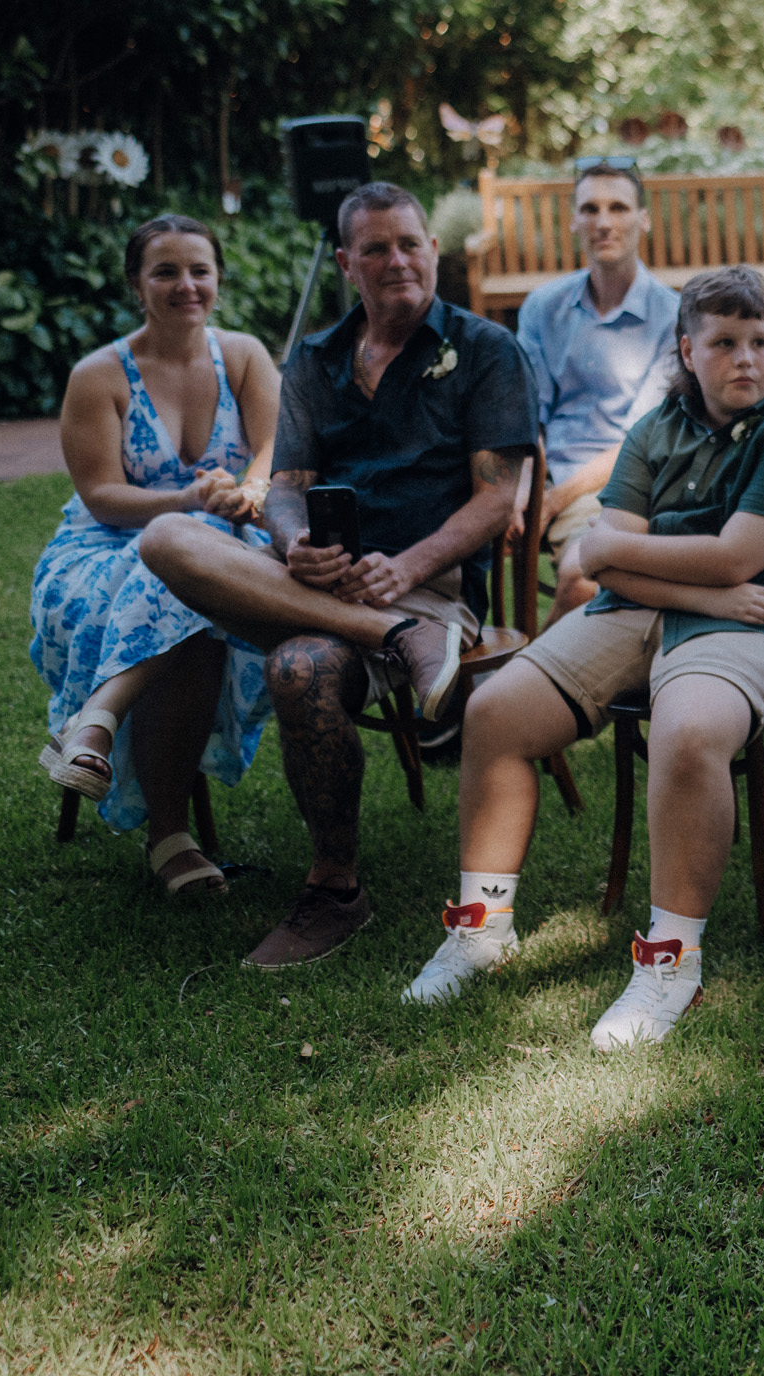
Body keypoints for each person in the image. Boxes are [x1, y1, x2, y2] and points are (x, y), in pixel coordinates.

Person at [398, 266, 764, 1051]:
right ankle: (481, 928)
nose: (746, 358)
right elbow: (599, 566)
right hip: (679, 607)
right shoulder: (655, 428)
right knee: (495, 711)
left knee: (688, 730)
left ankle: (670, 963)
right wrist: (690, 587)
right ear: (687, 347)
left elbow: (734, 558)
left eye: (762, 341)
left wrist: (644, 561)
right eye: (725, 342)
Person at [140, 182, 538, 969]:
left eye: (411, 244)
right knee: (165, 535)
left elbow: (499, 499)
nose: (399, 262)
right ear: (348, 264)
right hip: (322, 585)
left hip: (430, 585)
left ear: (432, 250)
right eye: (377, 249)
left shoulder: (485, 350)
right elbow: (286, 485)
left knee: (299, 666)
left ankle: (333, 888)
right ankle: (396, 640)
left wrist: (410, 567)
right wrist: (293, 544)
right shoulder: (318, 360)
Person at [31, 214, 280, 896]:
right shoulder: (98, 374)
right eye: (165, 271)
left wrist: (250, 491)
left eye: (199, 269)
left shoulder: (244, 357)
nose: (185, 285)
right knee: (186, 584)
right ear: (136, 285)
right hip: (104, 550)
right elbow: (104, 497)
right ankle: (170, 836)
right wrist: (188, 504)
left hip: (224, 536)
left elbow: (273, 451)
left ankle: (98, 724)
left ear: (219, 280)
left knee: (196, 575)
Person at [514, 157, 681, 626]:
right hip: (548, 475)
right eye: (589, 209)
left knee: (584, 577)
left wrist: (550, 501)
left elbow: (640, 443)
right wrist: (521, 491)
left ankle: (518, 684)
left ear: (643, 219)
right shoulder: (543, 308)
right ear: (572, 220)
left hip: (630, 483)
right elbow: (528, 418)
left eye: (618, 208)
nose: (604, 222)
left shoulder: (675, 317)